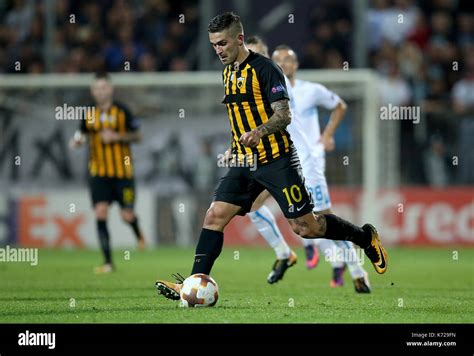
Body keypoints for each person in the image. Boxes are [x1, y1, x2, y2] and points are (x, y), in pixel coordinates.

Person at [155, 12, 387, 301]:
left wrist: (259, 133)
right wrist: (234, 147)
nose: (218, 50)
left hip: (277, 159)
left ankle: (365, 237)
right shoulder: (228, 71)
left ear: (239, 39)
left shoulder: (266, 69)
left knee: (307, 227)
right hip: (244, 161)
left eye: (223, 43)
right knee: (214, 216)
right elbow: (240, 118)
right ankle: (191, 283)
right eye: (214, 44)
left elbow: (283, 115)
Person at [245, 37, 370, 292]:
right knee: (252, 203)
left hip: (306, 161)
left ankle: (356, 270)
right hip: (278, 160)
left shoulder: (282, 85)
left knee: (323, 219)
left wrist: (326, 136)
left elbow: (338, 106)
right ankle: (284, 253)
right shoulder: (258, 87)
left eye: (256, 55)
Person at [70, 72, 145, 273]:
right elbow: (82, 134)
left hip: (123, 173)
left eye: (104, 87)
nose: (101, 91)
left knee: (126, 215)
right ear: (92, 91)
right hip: (98, 173)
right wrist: (77, 141)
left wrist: (117, 136)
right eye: (97, 88)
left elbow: (138, 136)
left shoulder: (123, 111)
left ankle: (139, 235)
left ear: (110, 89)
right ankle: (108, 262)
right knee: (101, 212)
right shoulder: (88, 114)